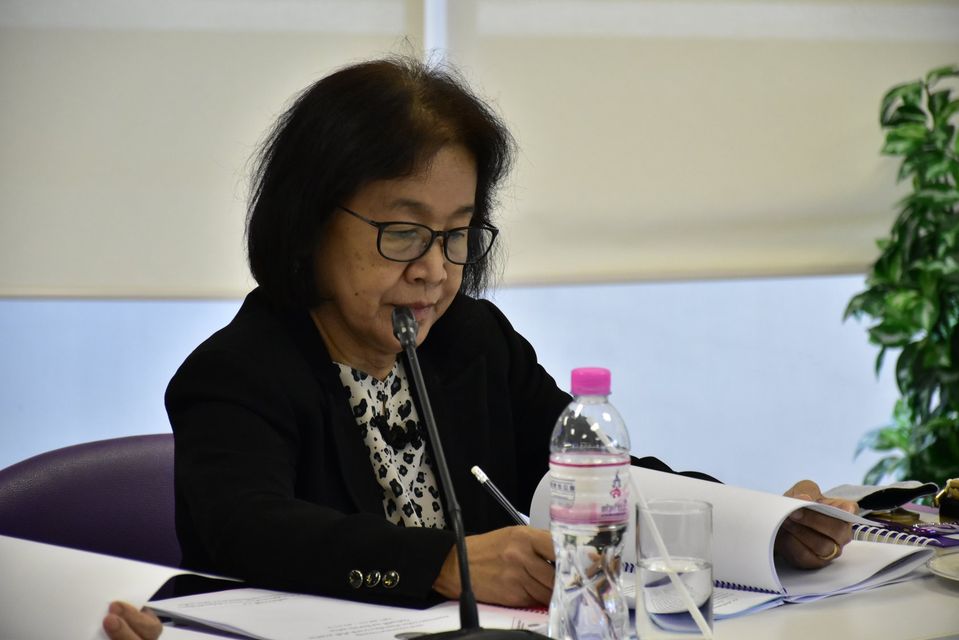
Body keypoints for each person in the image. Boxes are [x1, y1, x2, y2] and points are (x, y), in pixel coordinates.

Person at [165, 56, 855, 609]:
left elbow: (595, 480)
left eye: (457, 233)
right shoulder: (238, 372)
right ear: (310, 221)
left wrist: (756, 526)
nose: (434, 270)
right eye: (402, 232)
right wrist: (446, 563)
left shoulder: (472, 342)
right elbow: (252, 532)